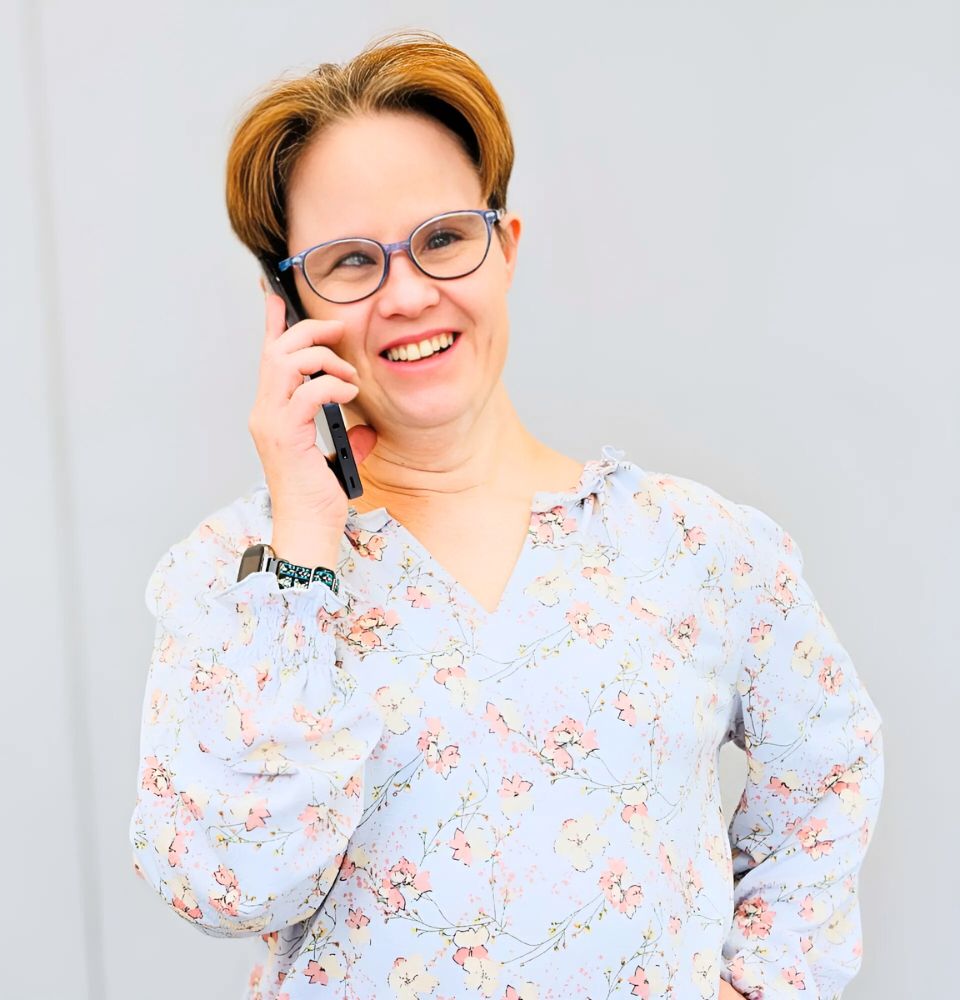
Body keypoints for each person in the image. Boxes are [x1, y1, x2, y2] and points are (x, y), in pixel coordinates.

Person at [128, 30, 884, 1000]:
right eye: (350, 262)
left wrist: (764, 984)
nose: (407, 293)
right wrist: (306, 548)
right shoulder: (231, 577)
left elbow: (827, 769)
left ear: (504, 250)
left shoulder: (695, 546)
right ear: (287, 303)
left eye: (442, 238)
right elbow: (228, 883)